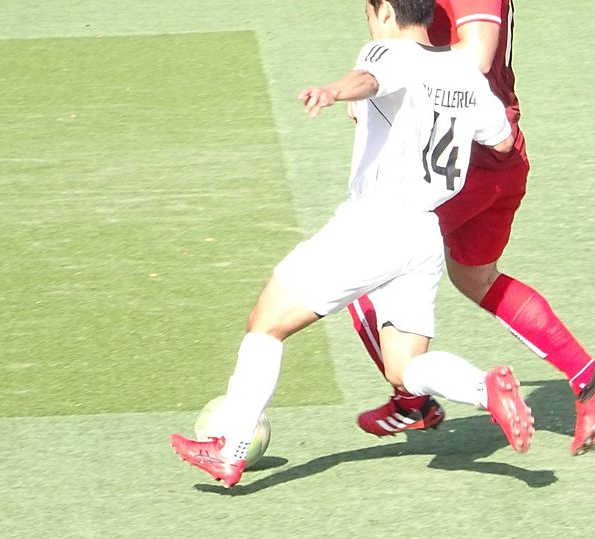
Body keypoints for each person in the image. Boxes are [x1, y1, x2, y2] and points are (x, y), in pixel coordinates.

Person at [170, 0, 533, 489]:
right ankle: (485, 390)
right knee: (406, 368)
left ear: (385, 12)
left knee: (265, 325)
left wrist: (334, 91)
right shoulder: (464, 72)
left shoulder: (386, 51)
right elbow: (503, 140)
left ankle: (230, 449)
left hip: (373, 224)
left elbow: (369, 80)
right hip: (424, 232)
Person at [347, 0, 595, 456]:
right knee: (475, 277)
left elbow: (477, 55)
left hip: (467, 158)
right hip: (487, 155)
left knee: (356, 268)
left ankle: (412, 400)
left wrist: (392, 74)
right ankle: (589, 379)